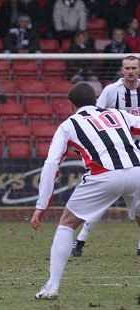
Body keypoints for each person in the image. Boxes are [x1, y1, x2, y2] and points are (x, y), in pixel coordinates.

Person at [31, 82, 140, 300]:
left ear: (70, 104)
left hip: (104, 174)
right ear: (95, 99)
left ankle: (52, 287)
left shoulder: (68, 125)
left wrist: (41, 206)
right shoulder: (118, 113)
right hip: (137, 170)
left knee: (67, 223)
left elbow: (52, 163)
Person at [72, 55, 140, 257]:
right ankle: (80, 241)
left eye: (134, 68)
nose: (130, 71)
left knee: (138, 204)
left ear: (139, 70)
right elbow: (93, 114)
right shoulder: (112, 91)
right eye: (127, 68)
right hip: (114, 153)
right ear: (121, 70)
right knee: (103, 197)